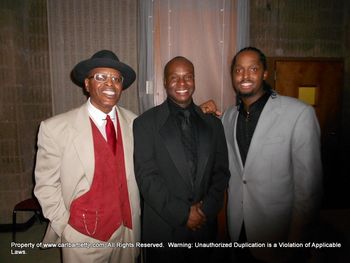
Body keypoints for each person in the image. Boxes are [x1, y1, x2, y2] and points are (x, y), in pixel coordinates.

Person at [206, 47, 323, 262]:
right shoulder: (228, 117)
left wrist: (296, 241)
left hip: (279, 232)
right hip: (238, 228)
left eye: (253, 69)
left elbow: (309, 188)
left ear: (265, 73)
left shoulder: (299, 113)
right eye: (239, 70)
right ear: (232, 76)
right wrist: (199, 113)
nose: (245, 76)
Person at [34, 50, 140, 263]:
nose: (110, 84)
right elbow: (45, 186)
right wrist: (65, 227)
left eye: (116, 79)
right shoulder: (55, 128)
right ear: (86, 84)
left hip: (127, 231)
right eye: (100, 77)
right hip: (81, 235)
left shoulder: (135, 123)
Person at [133, 56, 230, 263]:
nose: (182, 83)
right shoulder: (144, 123)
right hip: (164, 230)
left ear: (195, 80)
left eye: (188, 77)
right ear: (165, 82)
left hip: (204, 228)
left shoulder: (213, 124)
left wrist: (205, 210)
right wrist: (184, 214)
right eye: (174, 78)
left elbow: (221, 172)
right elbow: (147, 177)